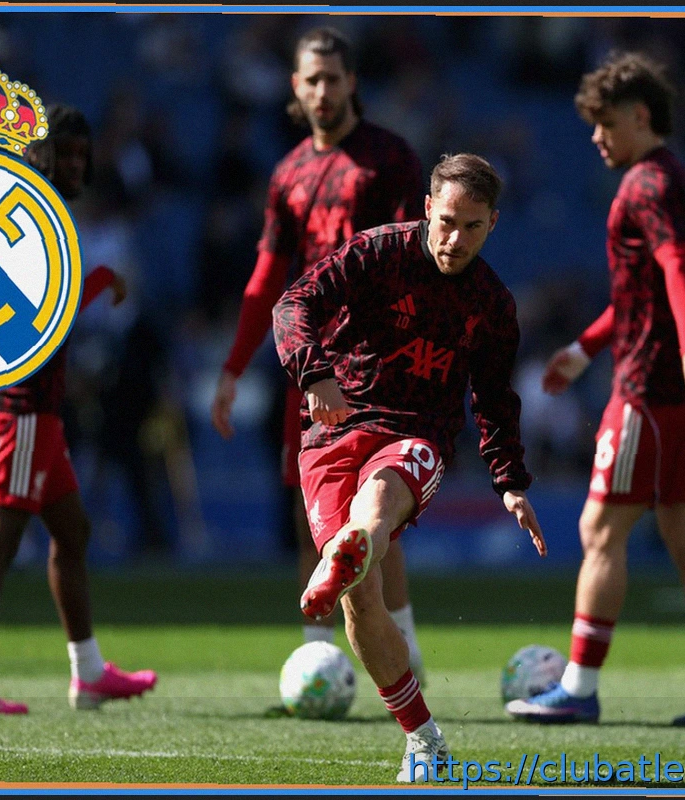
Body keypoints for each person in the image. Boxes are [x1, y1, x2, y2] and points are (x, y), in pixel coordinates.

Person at [273, 153, 546, 781]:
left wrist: (509, 481)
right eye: (446, 222)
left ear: (493, 224)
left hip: (416, 436)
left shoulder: (492, 304)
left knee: (377, 500)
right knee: (361, 604)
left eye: (472, 227)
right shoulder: (377, 252)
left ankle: (347, 550)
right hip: (334, 429)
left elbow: (495, 399)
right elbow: (294, 303)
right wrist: (314, 373)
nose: (455, 240)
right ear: (427, 208)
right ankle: (424, 737)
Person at [506, 52, 685, 727]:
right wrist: (585, 349)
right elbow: (646, 288)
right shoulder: (674, 177)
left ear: (640, 116)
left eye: (605, 123)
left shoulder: (644, 184)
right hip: (683, 395)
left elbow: (676, 266)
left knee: (599, 529)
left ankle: (578, 688)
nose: (595, 137)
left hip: (648, 390)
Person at [210, 27, 430, 671]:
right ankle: (319, 658)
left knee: (377, 505)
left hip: (374, 364)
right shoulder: (288, 173)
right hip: (306, 364)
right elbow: (265, 278)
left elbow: (414, 261)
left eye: (334, 78)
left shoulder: (389, 158)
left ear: (352, 82)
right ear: (295, 87)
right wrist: (233, 367)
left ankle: (406, 649)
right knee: (314, 509)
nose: (323, 90)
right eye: (313, 79)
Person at [0, 105, 157, 715]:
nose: (77, 165)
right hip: (25, 409)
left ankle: (88, 673)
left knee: (72, 532)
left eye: (84, 155)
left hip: (30, 410)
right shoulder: (36, 217)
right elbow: (33, 312)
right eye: (67, 153)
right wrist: (102, 278)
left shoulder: (26, 213)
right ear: (39, 153)